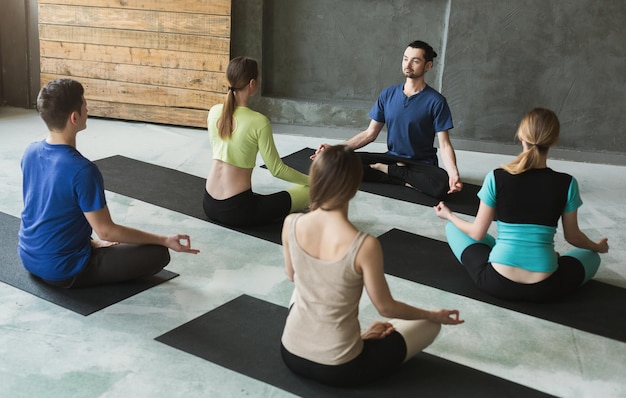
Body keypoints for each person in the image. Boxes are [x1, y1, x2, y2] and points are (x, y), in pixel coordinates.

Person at [280, 144, 464, 387]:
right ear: (354, 186)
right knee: (429, 326)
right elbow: (386, 308)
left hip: (290, 352)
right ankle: (359, 340)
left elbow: (293, 275)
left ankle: (355, 338)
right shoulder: (364, 245)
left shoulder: (291, 222)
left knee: (305, 284)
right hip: (340, 367)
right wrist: (434, 315)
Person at [18, 78, 199, 289]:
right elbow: (106, 231)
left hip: (29, 257)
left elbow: (45, 211)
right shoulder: (83, 170)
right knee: (157, 253)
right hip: (62, 271)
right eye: (85, 104)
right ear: (74, 117)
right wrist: (164, 239)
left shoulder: (30, 151)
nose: (87, 107)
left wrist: (91, 242)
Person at [434, 108, 609, 302]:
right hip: (545, 287)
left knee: (453, 228)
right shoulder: (567, 183)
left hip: (494, 281)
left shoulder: (496, 177)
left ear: (520, 136)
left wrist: (449, 215)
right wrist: (597, 247)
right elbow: (573, 237)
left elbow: (477, 233)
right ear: (554, 139)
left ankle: (502, 251)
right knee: (592, 257)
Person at [312, 40, 462, 200]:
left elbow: (444, 144)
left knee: (442, 186)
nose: (408, 64)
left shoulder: (436, 101)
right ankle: (400, 176)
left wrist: (453, 173)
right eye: (405, 59)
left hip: (421, 164)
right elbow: (369, 134)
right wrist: (335, 149)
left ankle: (389, 172)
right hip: (392, 158)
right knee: (337, 163)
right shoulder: (388, 94)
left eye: (415, 61)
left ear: (428, 66)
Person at [203, 56, 309, 226]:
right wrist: (313, 181)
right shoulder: (259, 121)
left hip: (209, 204)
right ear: (252, 84)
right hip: (238, 210)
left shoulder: (214, 112)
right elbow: (277, 169)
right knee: (313, 191)